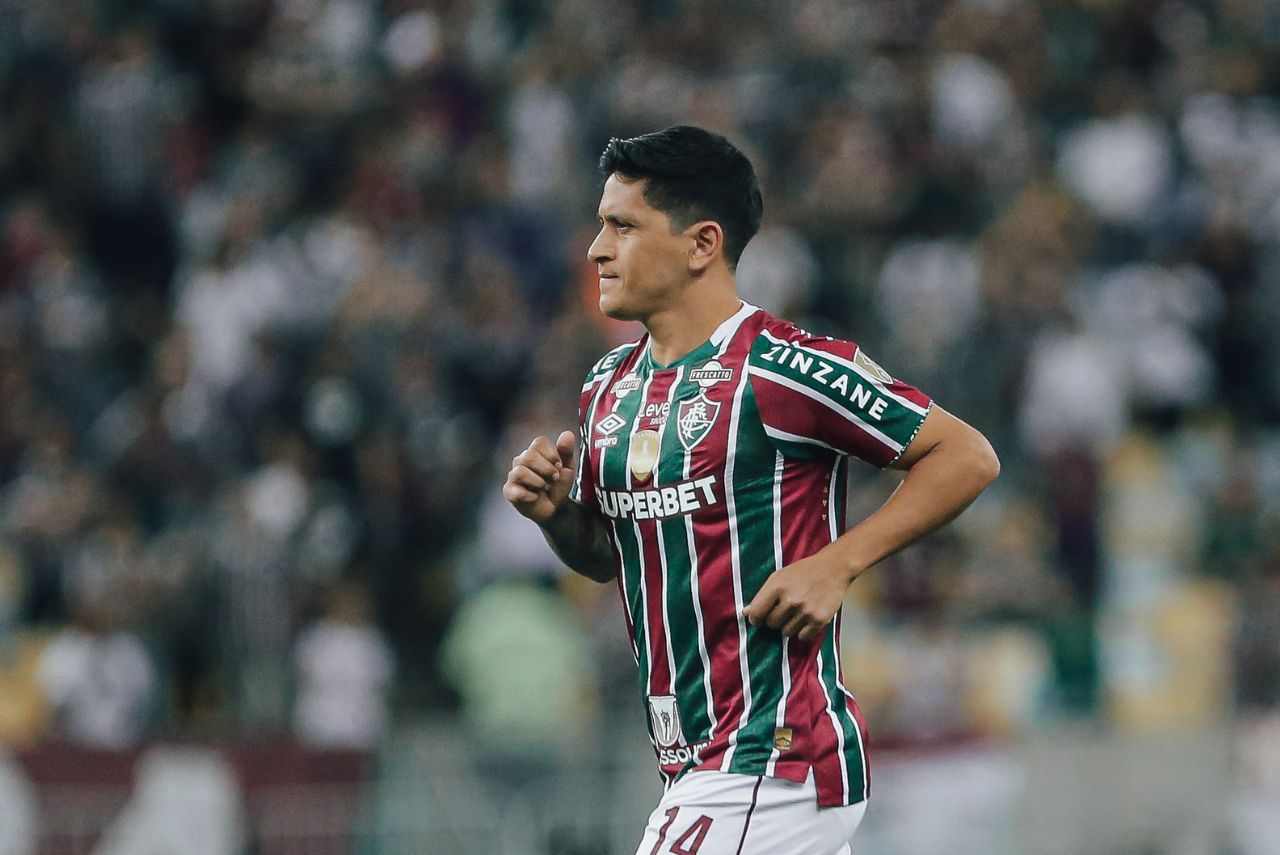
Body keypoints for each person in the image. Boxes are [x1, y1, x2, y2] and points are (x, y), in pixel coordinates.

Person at [502, 125, 1000, 855]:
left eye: (623, 226)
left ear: (702, 244)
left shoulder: (784, 367)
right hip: (689, 761)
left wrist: (838, 562)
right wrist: (557, 519)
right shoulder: (606, 387)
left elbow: (966, 454)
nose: (596, 248)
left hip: (773, 755)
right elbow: (618, 558)